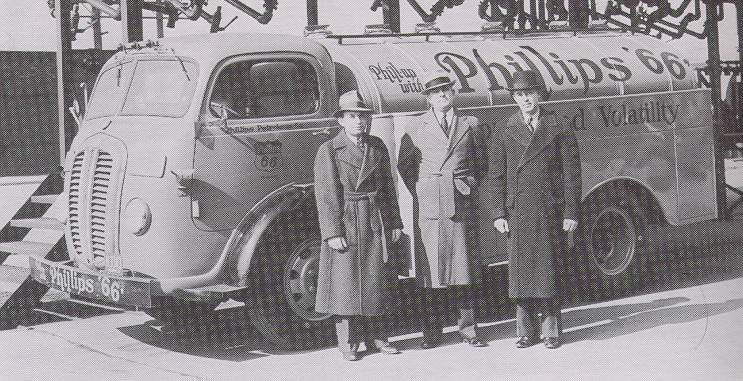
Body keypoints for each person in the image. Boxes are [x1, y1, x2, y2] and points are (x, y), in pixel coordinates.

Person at [490, 70, 582, 349]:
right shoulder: (504, 129)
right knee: (521, 273)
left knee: (548, 269)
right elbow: (496, 175)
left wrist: (570, 212)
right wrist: (498, 213)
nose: (525, 99)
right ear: (514, 99)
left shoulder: (558, 125)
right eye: (519, 94)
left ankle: (551, 330)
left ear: (539, 94)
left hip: (549, 209)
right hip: (518, 210)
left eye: (530, 93)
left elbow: (571, 173)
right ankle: (526, 331)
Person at [397, 70, 487, 349]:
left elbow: (482, 162)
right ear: (428, 99)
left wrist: (467, 184)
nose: (442, 96)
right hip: (430, 208)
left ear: (453, 93)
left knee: (464, 270)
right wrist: (424, 190)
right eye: (436, 93)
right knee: (430, 274)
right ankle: (431, 333)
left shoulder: (470, 123)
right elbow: (405, 165)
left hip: (460, 202)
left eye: (446, 90)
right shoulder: (415, 127)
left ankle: (469, 330)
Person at [314, 90, 403, 361]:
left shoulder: (377, 147)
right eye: (352, 117)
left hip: (374, 218)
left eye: (363, 117)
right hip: (348, 220)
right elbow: (326, 195)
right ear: (341, 120)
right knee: (346, 283)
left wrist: (394, 222)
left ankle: (378, 338)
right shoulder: (329, 149)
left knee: (377, 280)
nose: (358, 122)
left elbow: (388, 188)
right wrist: (332, 232)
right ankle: (348, 343)